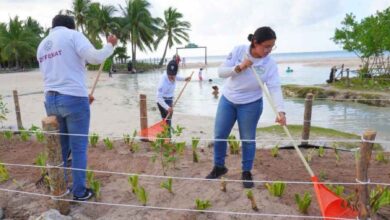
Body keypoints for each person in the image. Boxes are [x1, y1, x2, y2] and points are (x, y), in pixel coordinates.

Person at [37, 14, 117, 201]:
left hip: (50, 99)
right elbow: (95, 57)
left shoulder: (42, 45)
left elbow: (55, 74)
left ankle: (60, 188)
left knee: (62, 147)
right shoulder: (73, 35)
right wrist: (110, 45)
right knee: (78, 148)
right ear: (71, 26)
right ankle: (79, 192)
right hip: (73, 98)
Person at [205, 26, 287, 188]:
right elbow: (221, 72)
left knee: (248, 139)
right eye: (266, 46)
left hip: (251, 104)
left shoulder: (269, 63)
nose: (269, 50)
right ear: (255, 43)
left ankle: (246, 171)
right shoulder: (239, 51)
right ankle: (219, 166)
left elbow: (274, 87)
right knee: (220, 135)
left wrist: (280, 110)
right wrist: (240, 67)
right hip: (228, 99)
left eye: (272, 46)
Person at [156, 60, 191, 131]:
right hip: (162, 101)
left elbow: (177, 77)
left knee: (168, 119)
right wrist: (167, 107)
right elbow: (158, 98)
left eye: (173, 75)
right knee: (167, 119)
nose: (172, 77)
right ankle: (167, 138)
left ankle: (166, 137)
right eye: (170, 75)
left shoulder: (174, 76)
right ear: (167, 73)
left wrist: (185, 79)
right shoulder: (162, 83)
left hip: (170, 99)